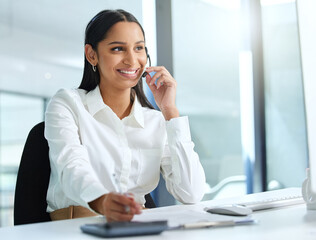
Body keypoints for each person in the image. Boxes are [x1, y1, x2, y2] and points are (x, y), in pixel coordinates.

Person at [44, 9, 206, 222]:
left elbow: (191, 193)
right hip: (77, 226)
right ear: (92, 54)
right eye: (118, 49)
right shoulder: (68, 103)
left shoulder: (154, 121)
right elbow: (71, 167)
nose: (132, 60)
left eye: (138, 48)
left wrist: (170, 113)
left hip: (138, 227)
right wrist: (102, 201)